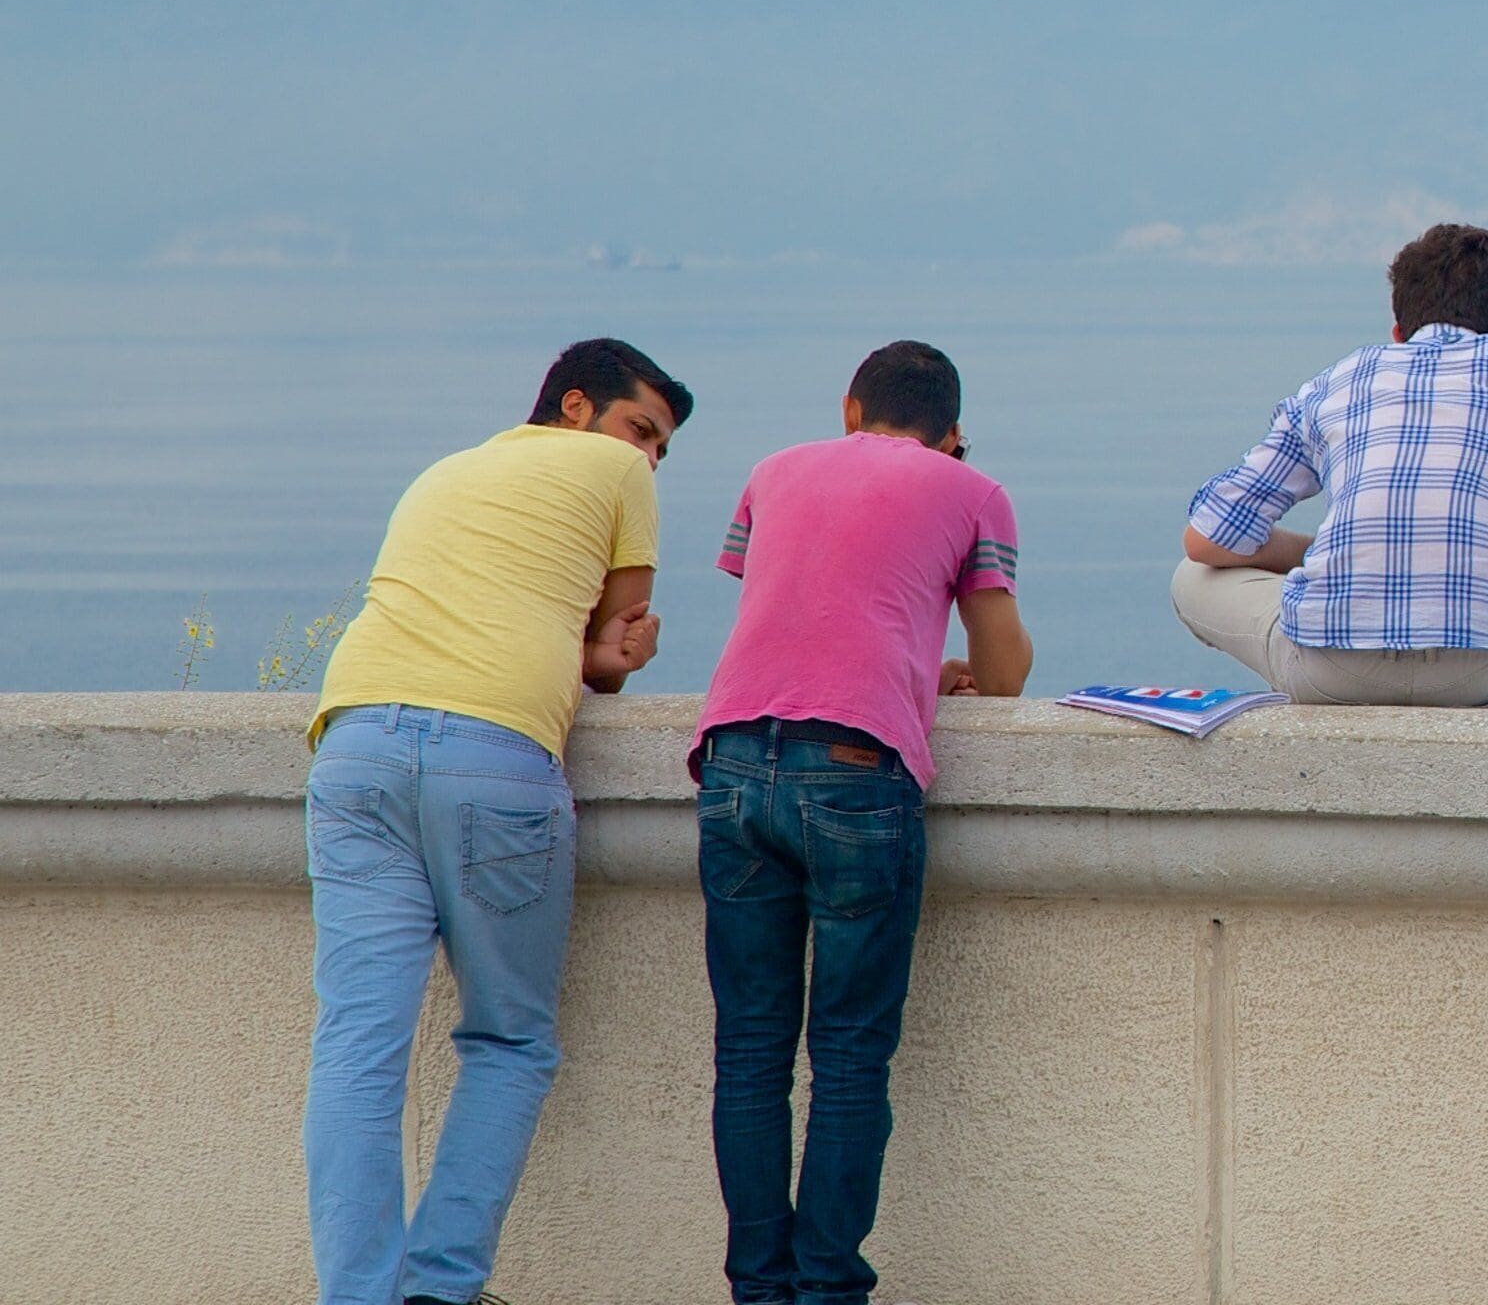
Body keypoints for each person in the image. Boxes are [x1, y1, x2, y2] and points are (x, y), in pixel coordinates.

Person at [304, 337, 686, 1305]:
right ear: (573, 406)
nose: (649, 456)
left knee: (357, 1045)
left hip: (355, 744)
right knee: (511, 1041)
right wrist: (622, 653)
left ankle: (356, 1295)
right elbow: (609, 640)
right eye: (644, 428)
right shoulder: (614, 474)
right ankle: (438, 1287)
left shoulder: (444, 472)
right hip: (495, 753)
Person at [694, 339, 1029, 1305]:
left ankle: (757, 1288)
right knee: (847, 1055)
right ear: (952, 434)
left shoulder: (773, 472)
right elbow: (1005, 673)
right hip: (853, 772)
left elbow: (804, 607)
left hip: (731, 762)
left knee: (752, 1050)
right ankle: (828, 1290)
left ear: (849, 407)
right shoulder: (973, 491)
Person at [1171, 221, 1488, 706]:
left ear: (1398, 331)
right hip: (1484, 678)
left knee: (1193, 575)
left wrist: (1327, 554)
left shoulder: (1338, 380)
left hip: (1330, 672)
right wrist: (1486, 558)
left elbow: (1206, 540)